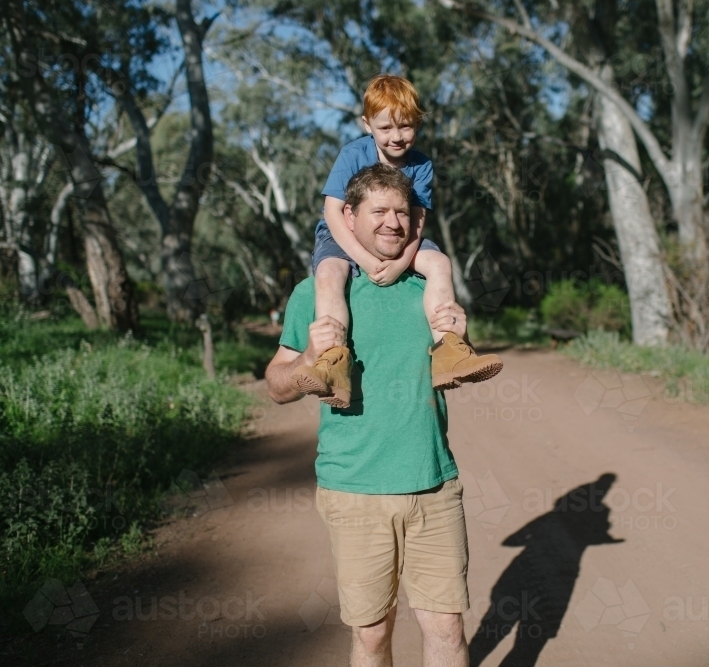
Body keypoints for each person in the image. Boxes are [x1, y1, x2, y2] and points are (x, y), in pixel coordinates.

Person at [266, 164, 471, 667]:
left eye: (402, 212)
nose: (392, 222)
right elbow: (276, 385)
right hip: (355, 490)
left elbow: (454, 367)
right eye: (379, 211)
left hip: (433, 485)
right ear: (349, 218)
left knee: (446, 626)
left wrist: (459, 335)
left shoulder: (428, 285)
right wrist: (307, 361)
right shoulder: (315, 293)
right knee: (374, 633)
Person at [290, 73, 502, 409]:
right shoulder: (352, 154)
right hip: (341, 235)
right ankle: (333, 363)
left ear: (417, 124)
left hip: (403, 238)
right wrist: (365, 259)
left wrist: (401, 262)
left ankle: (450, 351)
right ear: (366, 124)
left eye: (406, 127)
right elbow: (332, 212)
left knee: (439, 263)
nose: (397, 137)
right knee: (330, 273)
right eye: (386, 128)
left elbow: (416, 219)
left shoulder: (421, 165)